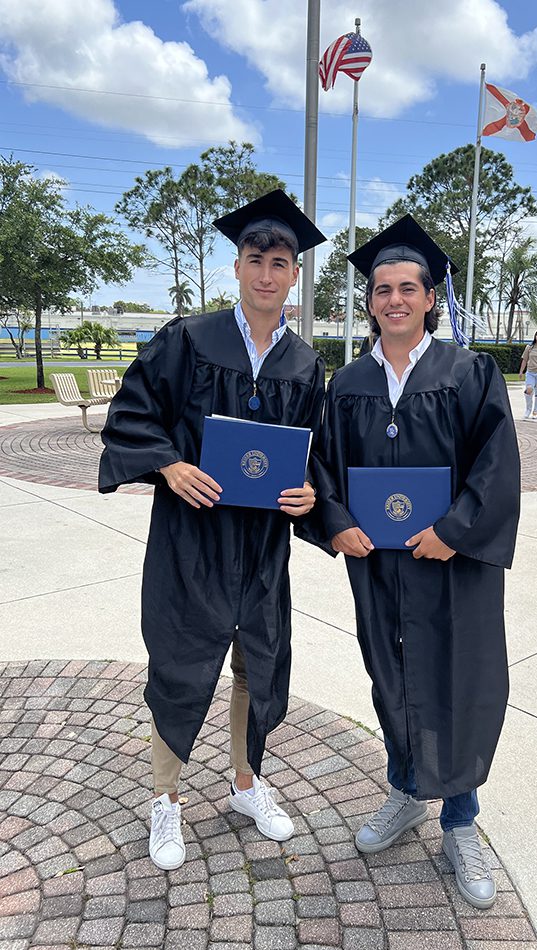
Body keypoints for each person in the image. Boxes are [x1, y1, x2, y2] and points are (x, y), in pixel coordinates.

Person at [99, 190, 327, 871]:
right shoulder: (188, 339)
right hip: (190, 535)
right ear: (236, 267)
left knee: (256, 663)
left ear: (294, 275)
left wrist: (310, 493)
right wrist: (167, 464)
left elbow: (317, 455)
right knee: (178, 663)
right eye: (255, 259)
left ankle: (245, 783)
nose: (266, 274)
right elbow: (131, 415)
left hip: (259, 542)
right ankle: (165, 798)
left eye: (279, 262)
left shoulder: (305, 365)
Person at [299, 215, 520, 910]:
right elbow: (322, 469)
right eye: (380, 289)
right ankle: (403, 794)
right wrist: (334, 524)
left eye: (406, 288)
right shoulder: (349, 382)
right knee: (390, 676)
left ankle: (459, 821)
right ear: (368, 301)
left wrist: (455, 531)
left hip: (450, 567)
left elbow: (496, 465)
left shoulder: (468, 372)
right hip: (381, 568)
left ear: (430, 298)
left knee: (455, 685)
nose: (393, 299)